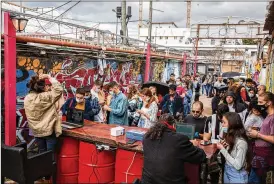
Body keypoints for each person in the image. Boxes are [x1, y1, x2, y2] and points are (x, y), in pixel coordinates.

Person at [141, 114, 206, 184]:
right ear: (174, 125)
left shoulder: (146, 137)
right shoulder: (180, 140)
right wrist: (195, 146)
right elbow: (201, 157)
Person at [24, 74, 63, 157]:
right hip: (48, 131)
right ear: (43, 87)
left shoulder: (27, 98)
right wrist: (49, 77)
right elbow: (59, 89)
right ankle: (50, 169)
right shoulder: (44, 97)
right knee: (51, 156)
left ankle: (42, 169)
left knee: (41, 155)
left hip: (36, 131)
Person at [247, 92, 274, 184]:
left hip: (264, 154)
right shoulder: (268, 116)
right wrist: (258, 130)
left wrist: (257, 134)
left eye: (261, 102)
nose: (258, 105)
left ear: (269, 103)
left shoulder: (273, 117)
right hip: (259, 153)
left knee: (253, 180)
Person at [217, 112, 250, 183]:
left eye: (224, 122)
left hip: (237, 175)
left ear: (232, 124)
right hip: (227, 169)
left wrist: (223, 150)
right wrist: (225, 147)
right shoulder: (231, 138)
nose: (222, 125)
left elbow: (238, 165)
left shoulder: (241, 142)